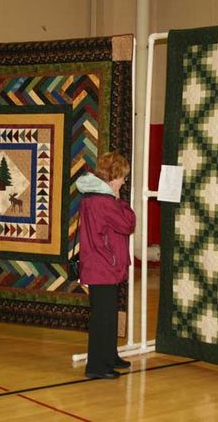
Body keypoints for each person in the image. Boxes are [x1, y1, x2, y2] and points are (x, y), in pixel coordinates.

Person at [76, 152, 136, 379]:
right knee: (103, 317)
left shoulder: (93, 197)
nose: (123, 181)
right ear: (114, 176)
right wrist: (119, 198)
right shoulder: (105, 201)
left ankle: (109, 356)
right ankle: (97, 367)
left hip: (101, 265)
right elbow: (128, 223)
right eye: (122, 177)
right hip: (103, 266)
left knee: (108, 314)